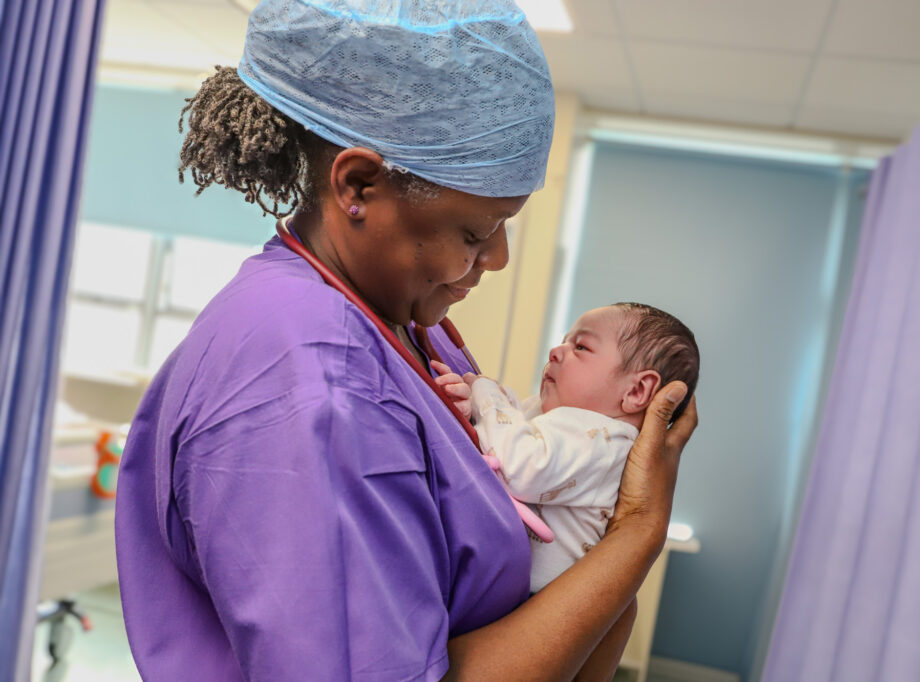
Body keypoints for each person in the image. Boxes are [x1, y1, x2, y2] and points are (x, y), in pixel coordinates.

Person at [114, 2, 698, 680]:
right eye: (476, 232)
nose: (500, 257)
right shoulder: (310, 386)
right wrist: (636, 533)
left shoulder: (408, 329)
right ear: (359, 186)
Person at [435, 303, 699, 594]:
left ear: (636, 391)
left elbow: (521, 467)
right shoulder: (566, 420)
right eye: (563, 341)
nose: (556, 352)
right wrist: (474, 405)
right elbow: (512, 424)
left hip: (535, 607)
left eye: (581, 347)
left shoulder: (605, 441)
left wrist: (485, 394)